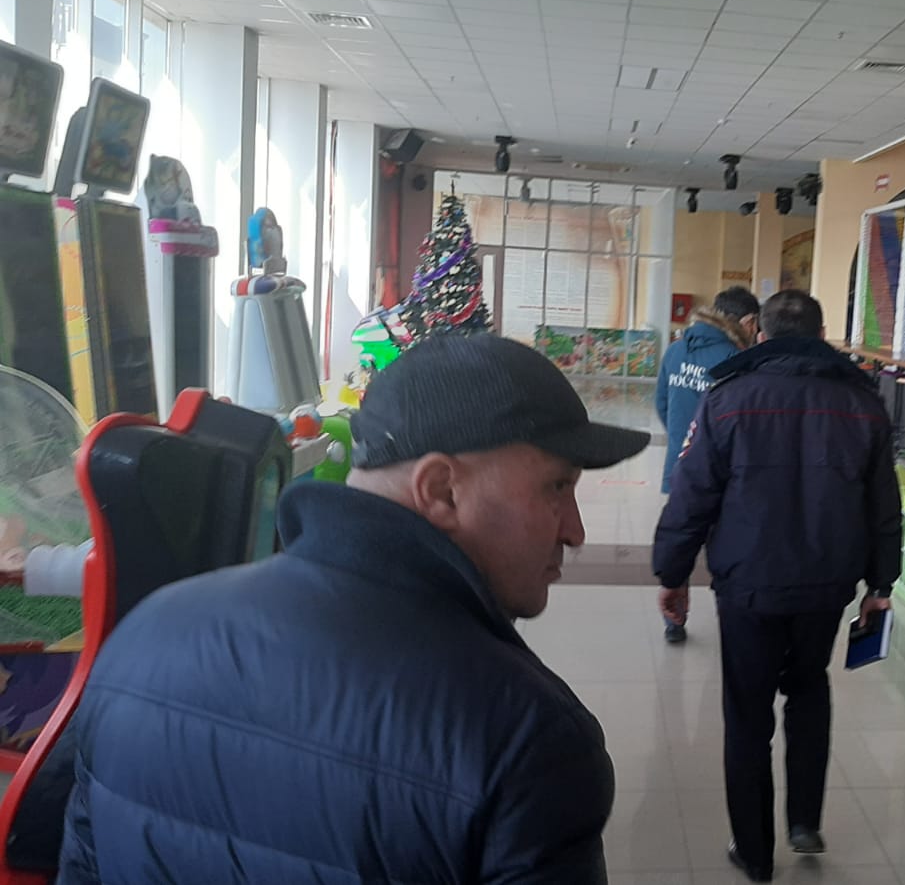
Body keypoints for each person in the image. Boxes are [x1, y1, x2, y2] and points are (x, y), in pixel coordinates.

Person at [55, 335, 649, 883]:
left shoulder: (144, 635)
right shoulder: (526, 741)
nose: (575, 531)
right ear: (441, 490)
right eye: (556, 487)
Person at [653, 290, 902, 883]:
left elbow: (693, 495)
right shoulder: (862, 403)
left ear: (759, 335)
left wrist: (673, 573)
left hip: (748, 584)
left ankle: (755, 851)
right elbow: (882, 507)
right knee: (809, 689)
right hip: (826, 584)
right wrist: (880, 584)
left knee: (747, 713)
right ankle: (804, 822)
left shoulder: (729, 398)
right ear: (821, 336)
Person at [654, 286, 760, 644]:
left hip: (679, 466)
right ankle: (731, 616)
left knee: (681, 540)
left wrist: (682, 440)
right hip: (722, 472)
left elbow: (662, 403)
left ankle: (674, 618)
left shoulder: (675, 350)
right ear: (748, 322)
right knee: (725, 544)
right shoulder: (736, 359)